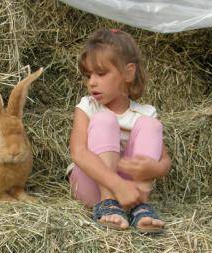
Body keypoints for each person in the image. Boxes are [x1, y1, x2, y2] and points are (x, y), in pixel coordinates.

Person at [68, 28, 171, 233]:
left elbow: (165, 160)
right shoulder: (88, 107)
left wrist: (154, 169)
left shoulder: (145, 113)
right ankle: (108, 203)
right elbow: (78, 152)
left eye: (101, 73)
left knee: (151, 126)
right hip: (92, 186)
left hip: (130, 193)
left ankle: (139, 208)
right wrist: (116, 184)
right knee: (105, 120)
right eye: (88, 75)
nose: (92, 82)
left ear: (128, 72)